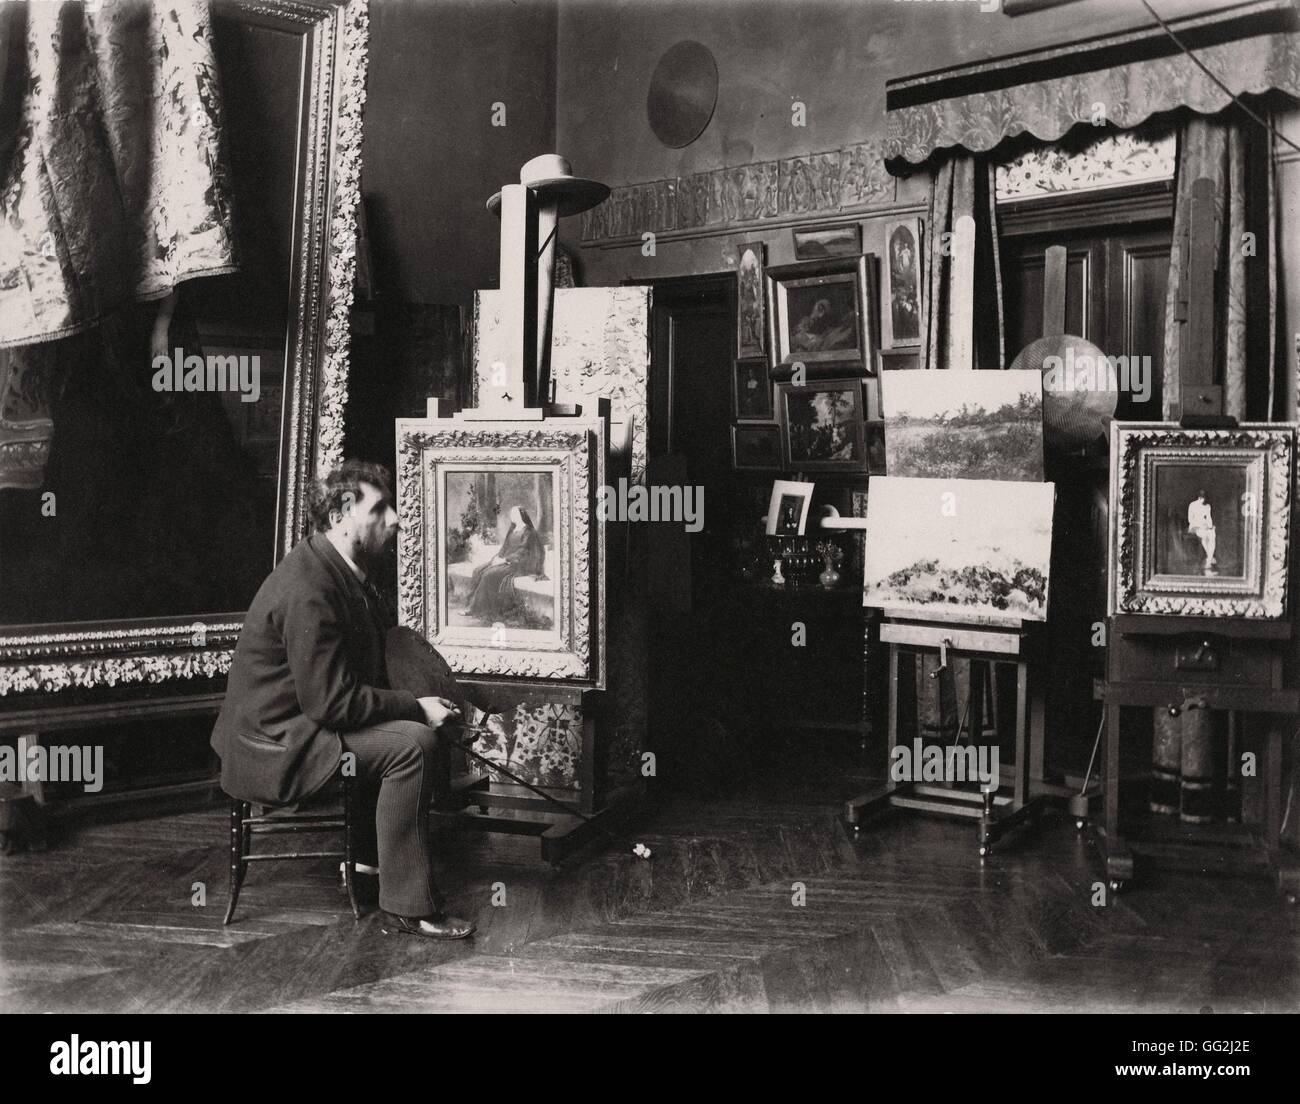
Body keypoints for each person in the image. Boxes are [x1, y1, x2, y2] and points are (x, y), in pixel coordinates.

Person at [211, 459, 476, 940]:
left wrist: (427, 698)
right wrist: (417, 707)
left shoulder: (336, 569)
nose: (395, 518)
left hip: (296, 724)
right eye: (379, 509)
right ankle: (408, 907)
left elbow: (361, 670)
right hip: (276, 745)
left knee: (405, 734)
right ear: (341, 515)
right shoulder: (310, 587)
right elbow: (332, 703)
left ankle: (367, 866)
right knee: (412, 745)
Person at [462, 506, 546, 621]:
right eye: (511, 514)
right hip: (506, 560)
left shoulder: (528, 532)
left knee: (489, 575)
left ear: (521, 515)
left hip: (518, 564)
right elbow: (505, 546)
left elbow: (523, 552)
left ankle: (477, 609)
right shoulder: (512, 530)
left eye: (514, 514)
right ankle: (470, 604)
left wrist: (505, 560)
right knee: (478, 570)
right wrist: (497, 557)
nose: (512, 516)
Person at [1187, 489, 1217, 574]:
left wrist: (1210, 526)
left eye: (1204, 499)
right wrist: (1200, 525)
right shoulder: (1192, 505)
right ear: (1198, 498)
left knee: (1212, 535)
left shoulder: (1207, 506)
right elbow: (1190, 520)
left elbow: (1208, 518)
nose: (1203, 500)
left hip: (1205, 527)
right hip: (1195, 526)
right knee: (1204, 536)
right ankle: (1210, 560)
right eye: (1202, 498)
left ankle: (1209, 559)